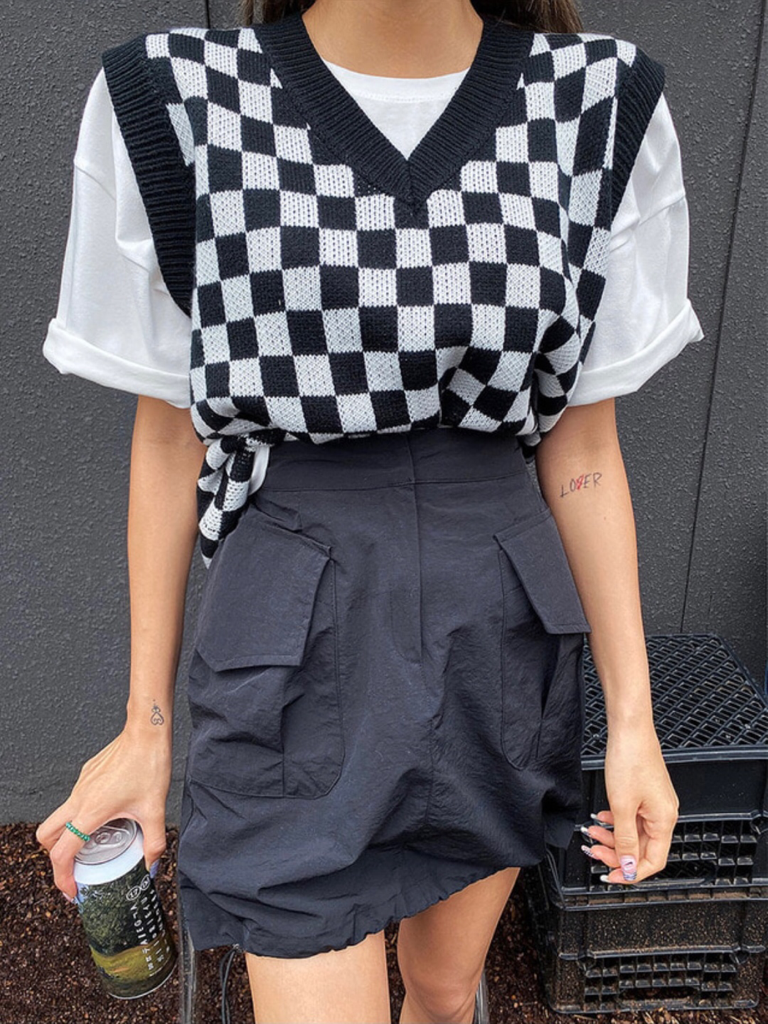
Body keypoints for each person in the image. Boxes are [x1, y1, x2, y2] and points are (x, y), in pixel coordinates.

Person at [35, 0, 703, 1020]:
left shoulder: (595, 104)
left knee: (443, 990)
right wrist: (146, 726)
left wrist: (635, 726)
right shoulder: (180, 98)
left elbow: (584, 451)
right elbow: (171, 437)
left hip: (496, 626)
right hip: (291, 630)